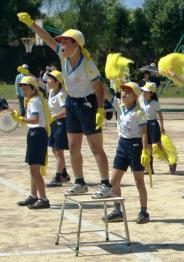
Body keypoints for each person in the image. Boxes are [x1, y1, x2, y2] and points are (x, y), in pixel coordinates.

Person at [18, 12, 111, 198]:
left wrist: (100, 109)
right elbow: (46, 38)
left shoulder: (87, 64)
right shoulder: (63, 56)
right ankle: (79, 182)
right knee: (73, 146)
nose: (62, 44)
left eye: (66, 41)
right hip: (72, 102)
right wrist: (31, 25)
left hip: (88, 103)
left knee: (95, 147)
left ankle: (105, 184)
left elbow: (99, 88)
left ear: (76, 44)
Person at [105, 82, 150, 223]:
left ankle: (144, 212)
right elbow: (106, 94)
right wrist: (95, 80)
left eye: (127, 91)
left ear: (135, 96)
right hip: (122, 145)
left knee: (139, 181)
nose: (123, 93)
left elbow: (144, 134)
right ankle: (117, 210)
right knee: (113, 181)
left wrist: (145, 151)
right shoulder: (119, 105)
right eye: (122, 91)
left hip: (136, 146)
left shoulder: (139, 112)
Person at [11, 76, 51, 209]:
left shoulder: (34, 101)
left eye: (25, 86)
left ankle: (43, 199)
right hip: (37, 134)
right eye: (21, 86)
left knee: (34, 170)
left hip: (37, 135)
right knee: (33, 169)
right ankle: (34, 196)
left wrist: (20, 119)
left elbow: (34, 119)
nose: (22, 88)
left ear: (33, 88)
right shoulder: (35, 99)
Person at [139, 82, 176, 174]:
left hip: (153, 125)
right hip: (144, 124)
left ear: (151, 93)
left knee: (159, 146)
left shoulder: (155, 103)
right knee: (148, 147)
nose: (144, 93)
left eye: (146, 91)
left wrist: (162, 127)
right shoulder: (140, 99)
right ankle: (149, 168)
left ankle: (171, 162)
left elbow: (160, 116)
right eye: (143, 91)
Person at [46, 70, 71, 187]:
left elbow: (65, 111)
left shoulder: (61, 94)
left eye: (50, 79)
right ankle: (64, 174)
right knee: (54, 149)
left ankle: (58, 177)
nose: (47, 80)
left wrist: (54, 116)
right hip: (53, 123)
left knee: (58, 150)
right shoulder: (51, 91)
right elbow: (38, 83)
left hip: (61, 123)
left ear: (57, 82)